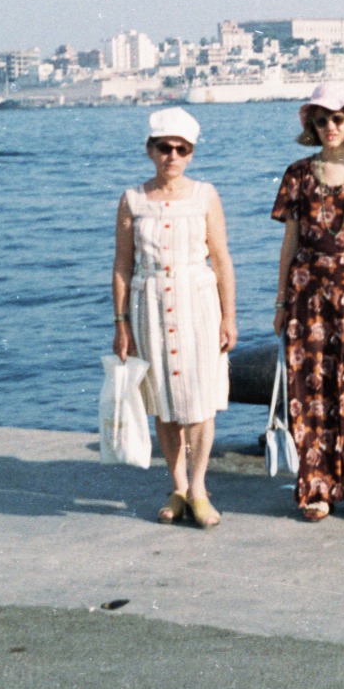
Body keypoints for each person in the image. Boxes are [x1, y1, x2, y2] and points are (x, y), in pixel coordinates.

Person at [112, 107, 238, 530]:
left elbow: (221, 259)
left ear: (191, 154)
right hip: (149, 304)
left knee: (200, 402)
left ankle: (199, 488)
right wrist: (121, 323)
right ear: (150, 150)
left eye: (181, 149)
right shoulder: (132, 199)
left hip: (197, 304)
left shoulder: (205, 195)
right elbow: (122, 265)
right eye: (164, 147)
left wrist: (228, 317)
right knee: (163, 402)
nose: (172, 155)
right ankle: (178, 486)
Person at [272, 83, 344, 521]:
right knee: (310, 389)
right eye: (321, 120)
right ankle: (316, 487)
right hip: (307, 295)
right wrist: (281, 301)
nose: (330, 127)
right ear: (311, 126)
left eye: (338, 118)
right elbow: (289, 241)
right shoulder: (298, 173)